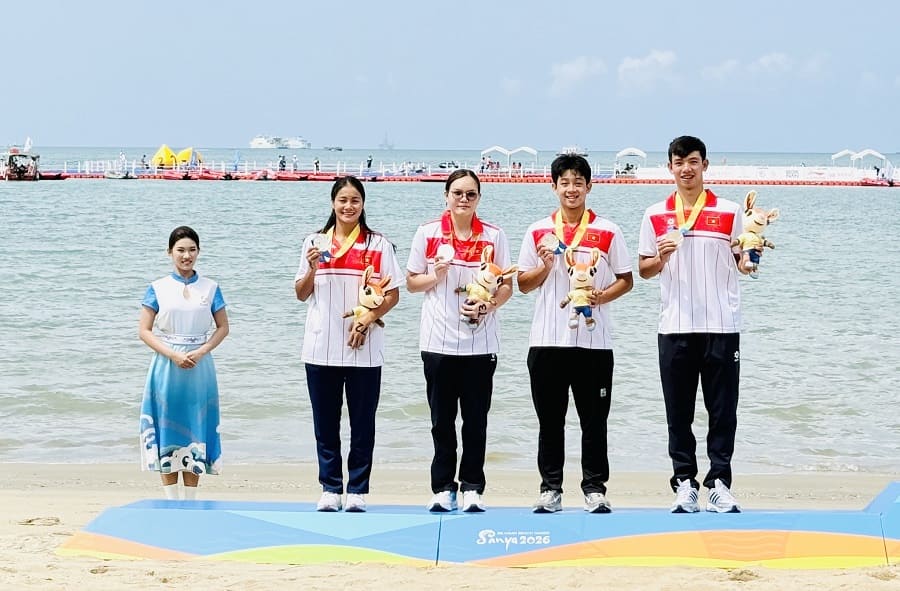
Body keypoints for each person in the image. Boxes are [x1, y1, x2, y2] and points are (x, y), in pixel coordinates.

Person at [637, 135, 749, 514]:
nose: (687, 168)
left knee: (722, 411)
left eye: (694, 161)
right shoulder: (655, 214)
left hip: (721, 324)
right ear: (669, 167)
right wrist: (661, 258)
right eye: (679, 161)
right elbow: (644, 270)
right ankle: (684, 482)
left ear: (705, 165)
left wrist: (751, 261)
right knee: (678, 412)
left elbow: (743, 259)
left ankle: (719, 483)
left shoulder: (730, 211)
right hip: (674, 326)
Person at [517, 154, 633, 514]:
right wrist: (545, 265)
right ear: (553, 186)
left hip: (594, 345)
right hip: (547, 341)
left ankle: (594, 489)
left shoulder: (608, 230)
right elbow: (522, 284)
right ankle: (550, 489)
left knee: (594, 422)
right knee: (550, 421)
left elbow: (626, 280)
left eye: (578, 182)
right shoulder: (538, 231)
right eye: (564, 182)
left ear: (588, 186)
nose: (571, 189)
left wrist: (600, 297)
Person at [406, 170, 515, 513]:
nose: (463, 199)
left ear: (479, 198)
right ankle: (442, 487)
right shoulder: (428, 233)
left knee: (476, 419)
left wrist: (489, 304)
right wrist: (434, 275)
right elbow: (410, 282)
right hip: (437, 341)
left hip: (480, 343)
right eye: (457, 193)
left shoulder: (494, 236)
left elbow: (508, 284)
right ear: (446, 196)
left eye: (470, 194)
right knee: (441, 420)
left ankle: (471, 487)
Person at [294, 176, 403, 513]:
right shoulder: (314, 242)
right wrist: (312, 268)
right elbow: (301, 293)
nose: (348, 206)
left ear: (363, 205)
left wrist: (368, 320)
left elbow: (394, 293)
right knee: (325, 423)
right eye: (343, 200)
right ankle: (330, 487)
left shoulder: (378, 244)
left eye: (355, 200)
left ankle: (357, 489)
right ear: (332, 203)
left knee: (362, 422)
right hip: (320, 346)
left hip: (365, 348)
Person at [138, 226, 230, 500]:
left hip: (200, 366)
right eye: (180, 250)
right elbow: (144, 330)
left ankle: (190, 498)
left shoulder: (210, 287)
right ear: (170, 253)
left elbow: (223, 327)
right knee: (167, 423)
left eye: (191, 250)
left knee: (196, 425)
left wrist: (202, 351)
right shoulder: (158, 288)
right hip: (167, 365)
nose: (186, 255)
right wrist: (173, 354)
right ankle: (170, 497)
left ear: (198, 252)